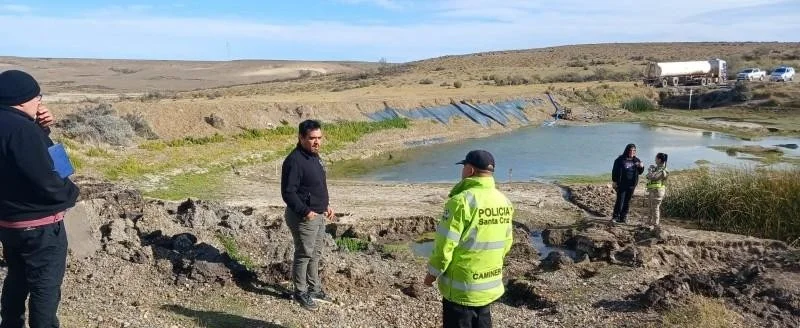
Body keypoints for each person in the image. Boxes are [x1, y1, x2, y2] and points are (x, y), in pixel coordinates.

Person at [0, 69, 80, 328]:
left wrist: (41, 129)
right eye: (38, 97)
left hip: (8, 224)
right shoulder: (23, 131)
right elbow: (58, 173)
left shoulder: (17, 126)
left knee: (16, 279)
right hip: (41, 228)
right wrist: (71, 193)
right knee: (45, 289)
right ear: (23, 100)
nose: (40, 103)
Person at [424, 150, 514, 328]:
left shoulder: (460, 202)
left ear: (470, 170)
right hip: (488, 286)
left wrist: (432, 273)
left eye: (464, 166)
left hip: (461, 289)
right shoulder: (503, 201)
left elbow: (444, 246)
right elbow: (506, 243)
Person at [280, 119, 334, 311]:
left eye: (319, 138)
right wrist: (306, 211)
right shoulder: (294, 161)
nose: (317, 142)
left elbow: (317, 185)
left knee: (316, 253)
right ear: (301, 138)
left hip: (319, 214)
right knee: (304, 254)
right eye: (312, 138)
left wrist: (326, 205)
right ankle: (300, 292)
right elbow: (288, 193)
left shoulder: (315, 157)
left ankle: (314, 288)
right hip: (304, 217)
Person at [611, 143, 644, 224]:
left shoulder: (636, 160)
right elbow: (614, 171)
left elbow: (640, 172)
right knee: (620, 201)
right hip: (621, 184)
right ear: (627, 150)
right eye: (630, 150)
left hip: (631, 185)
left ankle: (623, 217)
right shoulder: (620, 159)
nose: (632, 152)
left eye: (634, 151)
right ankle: (615, 217)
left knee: (627, 201)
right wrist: (614, 181)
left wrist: (641, 167)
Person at [645, 153, 669, 228]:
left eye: (656, 158)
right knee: (650, 207)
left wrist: (650, 171)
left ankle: (655, 225)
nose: (655, 159)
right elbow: (647, 176)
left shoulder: (663, 170)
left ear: (659, 160)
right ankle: (649, 223)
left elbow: (653, 177)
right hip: (652, 191)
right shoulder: (657, 168)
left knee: (655, 207)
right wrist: (651, 171)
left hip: (658, 191)